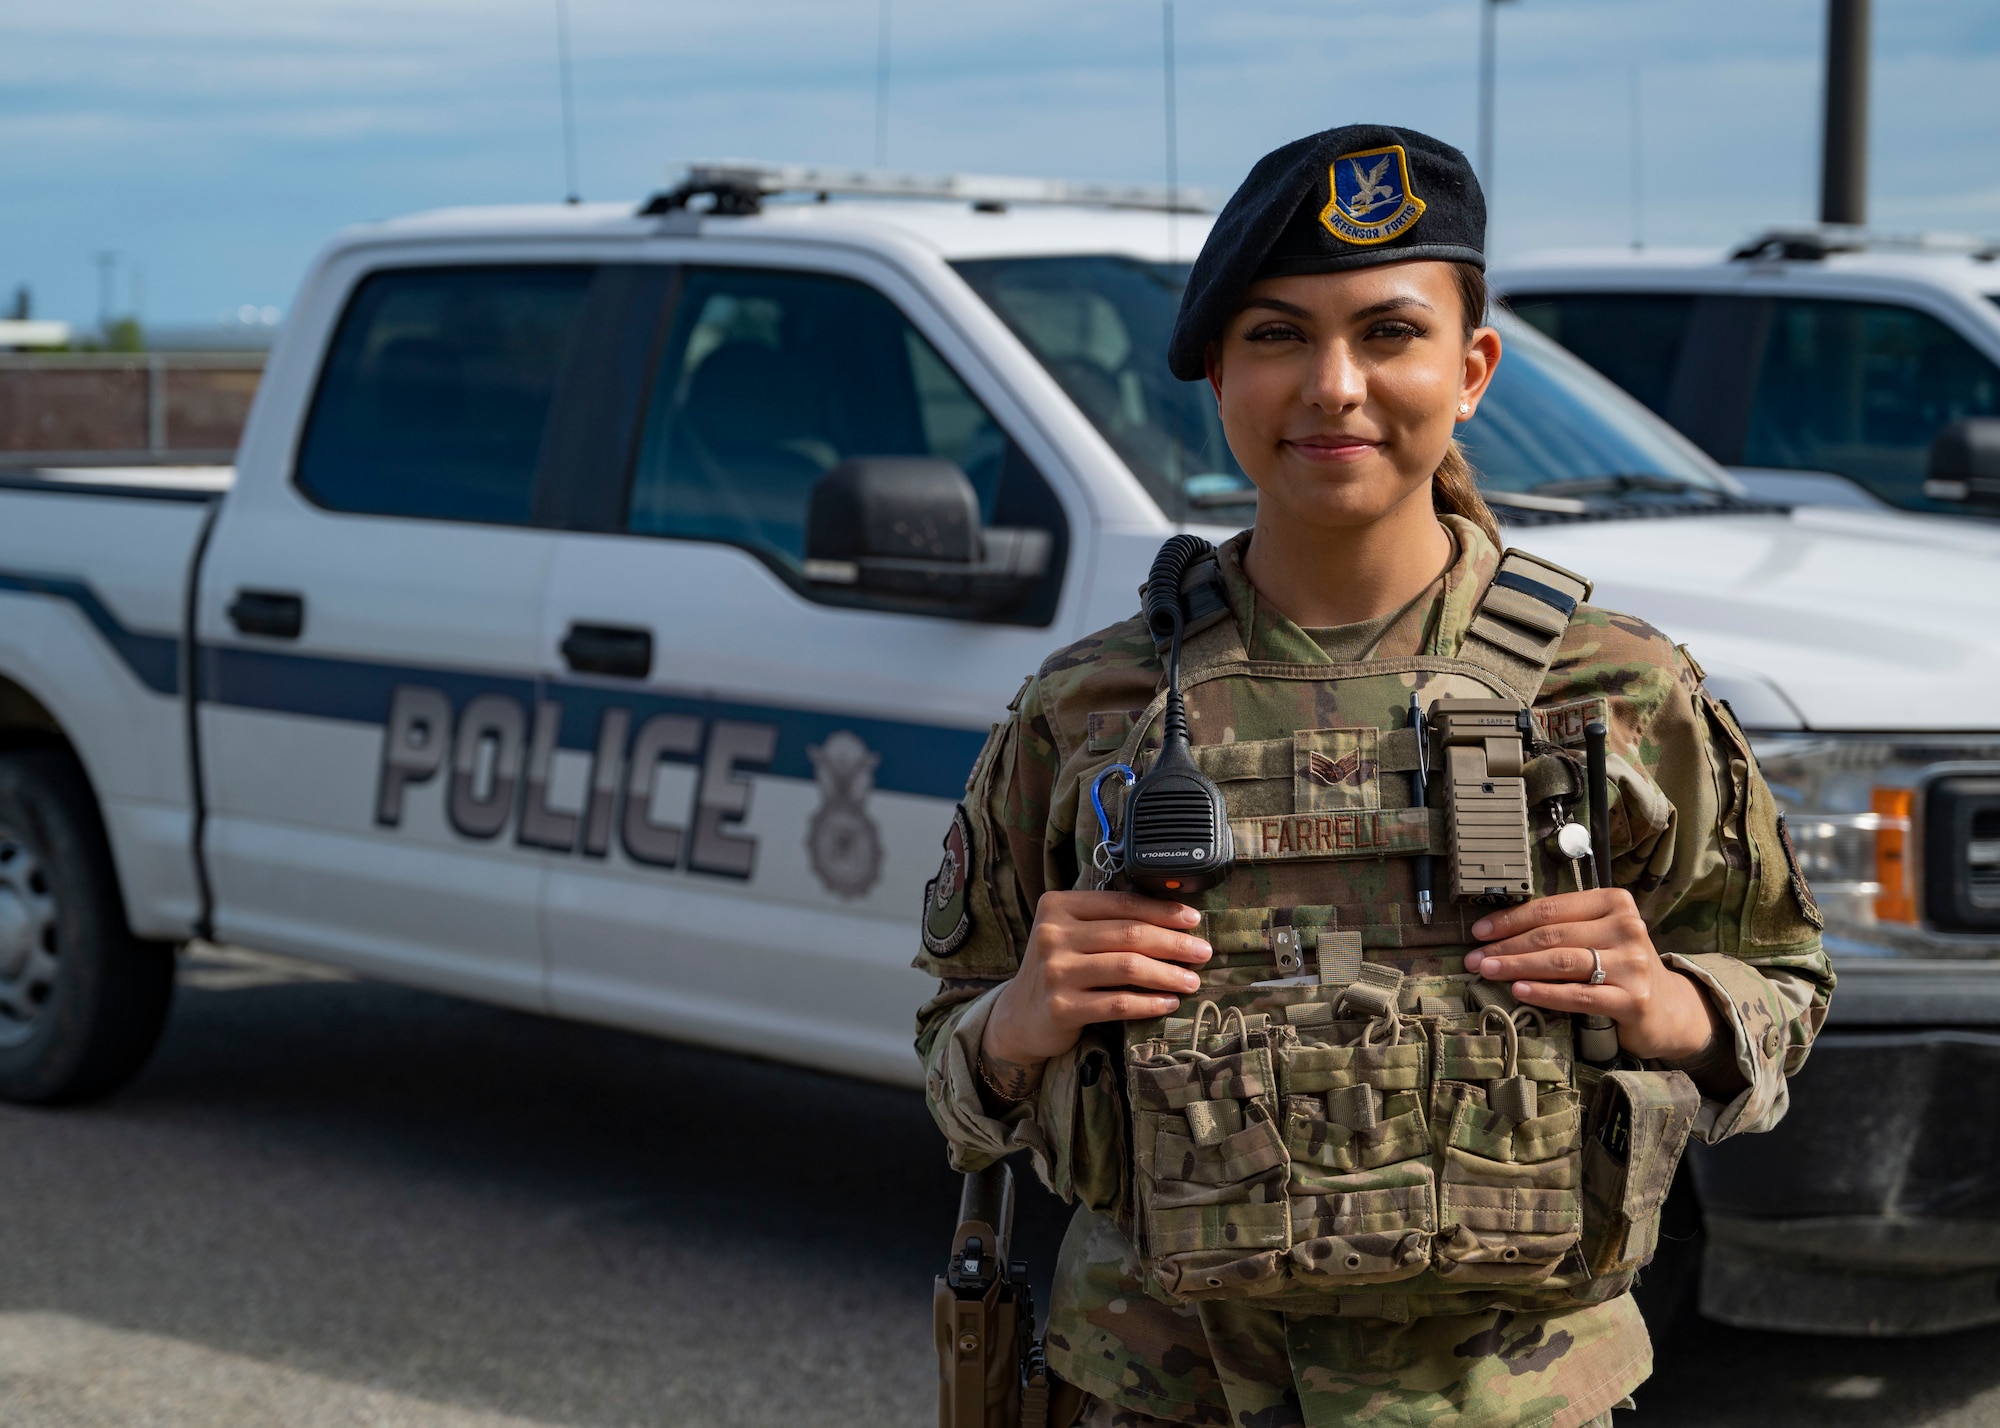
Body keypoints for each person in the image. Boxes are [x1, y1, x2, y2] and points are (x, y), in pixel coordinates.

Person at [915, 124, 1831, 1428]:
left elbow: (1786, 981)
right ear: (1218, 377)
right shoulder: (1092, 711)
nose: (1334, 385)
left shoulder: (1616, 690)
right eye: (1279, 336)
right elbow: (951, 1060)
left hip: (1513, 1398)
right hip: (1160, 1391)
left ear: (1472, 370)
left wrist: (1677, 1006)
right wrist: (1015, 1024)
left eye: (1388, 334)